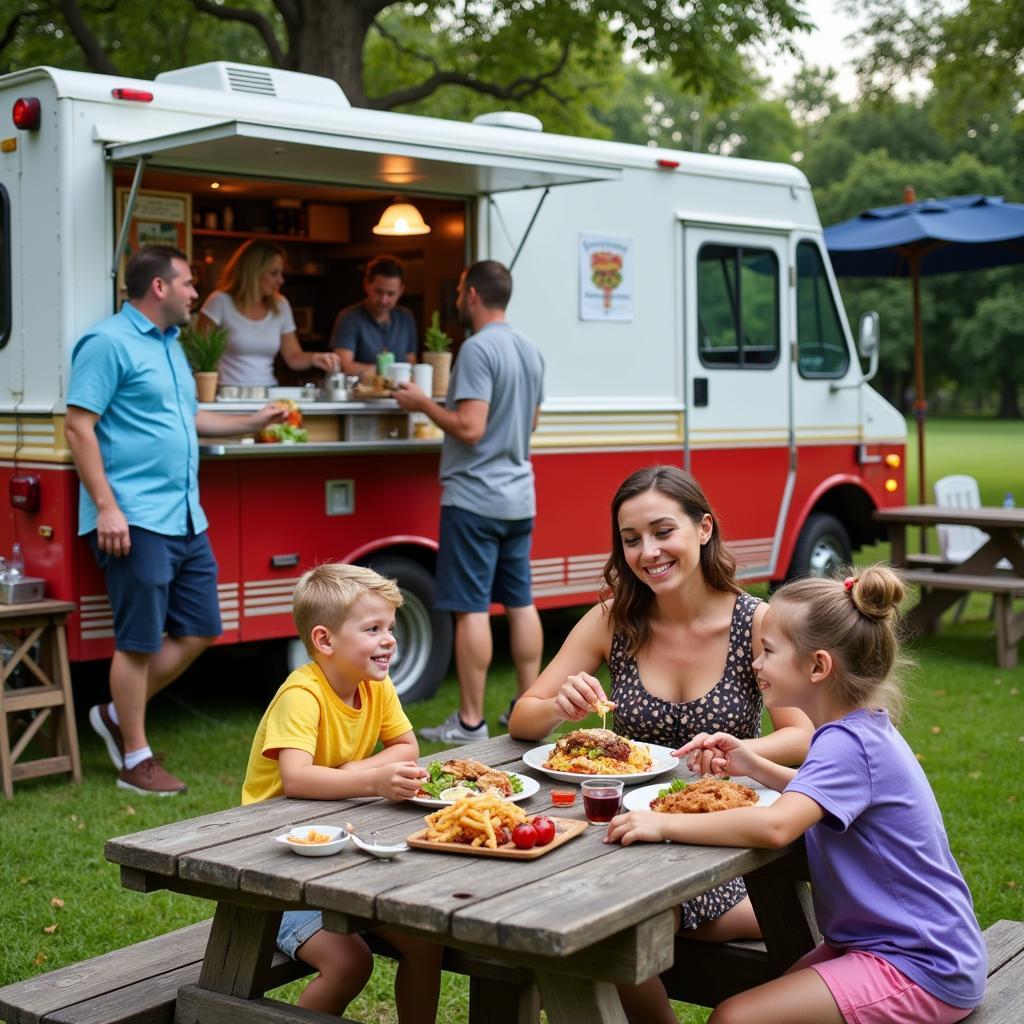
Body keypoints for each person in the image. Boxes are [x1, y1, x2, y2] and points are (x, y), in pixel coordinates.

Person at [608, 565, 987, 1024]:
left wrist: (661, 822)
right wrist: (756, 766)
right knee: (756, 1001)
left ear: (818, 666)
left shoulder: (847, 744)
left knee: (736, 1017)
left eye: (768, 651)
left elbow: (776, 826)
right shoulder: (857, 730)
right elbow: (825, 796)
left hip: (920, 964)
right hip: (891, 945)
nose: (756, 663)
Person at [508, 464, 813, 1023]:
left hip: (717, 834)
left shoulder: (756, 621)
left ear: (704, 528)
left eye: (662, 531)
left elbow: (801, 734)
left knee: (607, 932)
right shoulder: (613, 620)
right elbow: (523, 721)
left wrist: (738, 749)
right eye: (631, 539)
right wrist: (560, 707)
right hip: (622, 830)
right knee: (555, 916)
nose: (648, 551)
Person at [66, 245, 286, 795]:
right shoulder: (107, 343)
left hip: (185, 516)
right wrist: (107, 506)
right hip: (135, 517)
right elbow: (78, 426)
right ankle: (135, 759)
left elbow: (188, 419)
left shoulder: (170, 346)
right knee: (138, 640)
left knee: (202, 628)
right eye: (188, 283)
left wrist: (251, 421)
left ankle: (117, 715)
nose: (196, 293)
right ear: (159, 288)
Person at [241, 562, 441, 1022]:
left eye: (390, 627)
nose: (389, 639)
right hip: (272, 871)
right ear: (324, 641)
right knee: (350, 962)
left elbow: (407, 746)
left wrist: (353, 768)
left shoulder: (376, 685)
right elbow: (297, 778)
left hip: (337, 859)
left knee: (426, 940)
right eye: (373, 628)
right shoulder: (302, 695)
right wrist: (370, 779)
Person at [394, 260, 544, 743]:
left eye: (460, 290)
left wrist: (423, 403)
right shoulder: (529, 349)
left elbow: (471, 427)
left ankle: (470, 722)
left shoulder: (478, 350)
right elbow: (532, 425)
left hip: (475, 497)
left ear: (474, 294)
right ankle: (529, 708)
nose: (458, 297)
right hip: (520, 496)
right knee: (520, 602)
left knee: (471, 608)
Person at [198, 239, 340, 385]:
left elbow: (293, 356)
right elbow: (200, 355)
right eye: (274, 273)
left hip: (268, 392)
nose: (281, 280)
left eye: (281, 273)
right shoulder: (220, 301)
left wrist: (315, 358)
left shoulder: (281, 304)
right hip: (228, 394)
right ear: (253, 272)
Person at [330, 254, 418, 377]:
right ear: (366, 285)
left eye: (391, 294)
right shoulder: (349, 318)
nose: (384, 300)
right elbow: (343, 366)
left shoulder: (406, 317)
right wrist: (387, 371)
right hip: (362, 394)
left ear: (401, 291)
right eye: (379, 292)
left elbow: (411, 363)